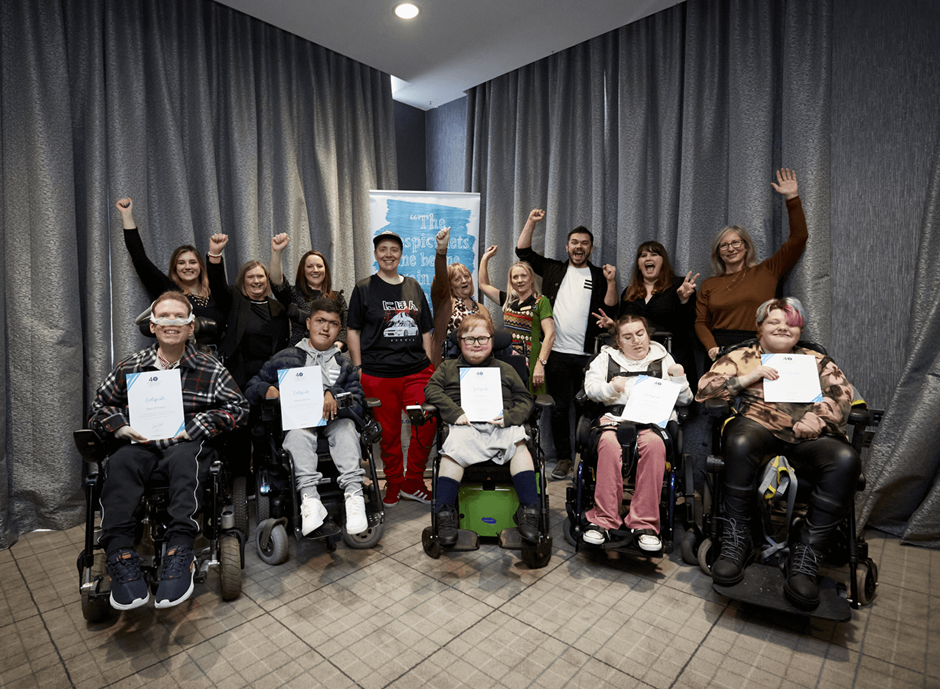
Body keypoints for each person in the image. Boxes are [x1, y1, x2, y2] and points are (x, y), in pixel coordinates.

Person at [696, 298, 859, 609]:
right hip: (758, 428)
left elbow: (842, 394)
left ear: (799, 330)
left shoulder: (817, 360)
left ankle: (805, 557)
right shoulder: (741, 356)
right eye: (774, 322)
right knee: (740, 440)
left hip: (808, 435)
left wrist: (821, 418)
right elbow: (704, 391)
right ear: (760, 328)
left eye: (792, 322)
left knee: (846, 459)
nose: (784, 326)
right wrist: (748, 377)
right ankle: (737, 540)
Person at [89, 291, 248, 611]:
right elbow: (99, 407)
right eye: (164, 317)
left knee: (184, 459)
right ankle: (120, 556)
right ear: (152, 325)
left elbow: (239, 408)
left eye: (179, 317)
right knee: (119, 462)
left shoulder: (209, 367)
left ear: (191, 327)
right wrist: (120, 425)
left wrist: (200, 424)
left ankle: (180, 552)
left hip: (186, 443)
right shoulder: (130, 367)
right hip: (141, 442)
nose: (171, 322)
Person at [244, 298, 367, 536]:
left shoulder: (344, 364)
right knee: (298, 435)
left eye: (333, 323)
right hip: (300, 423)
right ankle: (310, 501)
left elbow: (358, 401)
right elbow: (251, 386)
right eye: (320, 321)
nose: (325, 328)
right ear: (309, 323)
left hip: (335, 422)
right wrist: (266, 390)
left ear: (339, 329)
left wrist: (334, 395)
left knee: (346, 430)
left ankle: (354, 497)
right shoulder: (284, 358)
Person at [515, 208, 618, 479]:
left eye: (584, 243)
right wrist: (531, 221)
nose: (579, 247)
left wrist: (610, 282)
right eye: (575, 242)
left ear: (591, 248)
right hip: (557, 354)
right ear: (567, 246)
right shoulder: (553, 269)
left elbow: (610, 307)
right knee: (559, 409)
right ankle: (563, 459)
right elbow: (523, 252)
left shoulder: (598, 275)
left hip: (589, 356)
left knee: (591, 409)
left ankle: (590, 461)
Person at [423, 315, 540, 545]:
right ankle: (445, 513)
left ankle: (529, 511)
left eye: (483, 338)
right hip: (465, 427)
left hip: (500, 425)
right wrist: (454, 412)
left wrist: (509, 418)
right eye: (470, 338)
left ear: (492, 340)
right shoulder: (447, 368)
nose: (477, 343)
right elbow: (431, 391)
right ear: (460, 341)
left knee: (519, 444)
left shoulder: (505, 368)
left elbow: (525, 398)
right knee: (451, 450)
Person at [581, 315, 692, 550]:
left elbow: (685, 400)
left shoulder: (663, 358)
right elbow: (590, 389)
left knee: (654, 446)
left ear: (648, 334)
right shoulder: (606, 358)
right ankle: (604, 519)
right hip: (615, 419)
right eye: (628, 337)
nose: (636, 341)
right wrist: (611, 388)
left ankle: (645, 524)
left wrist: (679, 377)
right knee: (609, 445)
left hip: (651, 422)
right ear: (619, 342)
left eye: (640, 334)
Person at [347, 230, 436, 507]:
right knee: (388, 434)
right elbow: (352, 331)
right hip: (378, 373)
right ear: (375, 254)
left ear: (400, 254)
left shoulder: (413, 287)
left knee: (427, 423)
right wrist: (358, 367)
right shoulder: (363, 288)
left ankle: (414, 481)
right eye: (383, 249)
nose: (388, 254)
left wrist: (429, 364)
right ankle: (395, 483)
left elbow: (426, 331)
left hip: (416, 370)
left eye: (394, 249)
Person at [695, 168, 807, 360]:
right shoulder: (709, 284)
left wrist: (792, 198)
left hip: (759, 346)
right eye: (724, 246)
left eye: (736, 243)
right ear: (718, 253)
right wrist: (712, 348)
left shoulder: (767, 271)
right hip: (720, 351)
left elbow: (799, 238)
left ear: (746, 247)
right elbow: (701, 322)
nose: (730, 249)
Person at [116, 197, 226, 345]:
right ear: (175, 269)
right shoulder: (170, 292)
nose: (187, 267)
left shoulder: (217, 293)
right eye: (181, 263)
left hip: (217, 362)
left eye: (192, 262)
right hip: (182, 359)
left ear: (200, 266)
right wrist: (127, 215)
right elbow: (140, 260)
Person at [592, 241, 699, 391]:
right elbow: (625, 326)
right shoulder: (630, 292)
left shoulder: (680, 286)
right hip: (635, 361)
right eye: (643, 255)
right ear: (638, 263)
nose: (648, 258)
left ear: (663, 261)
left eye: (654, 254)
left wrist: (683, 299)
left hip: (672, 358)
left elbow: (690, 323)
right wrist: (613, 325)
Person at [205, 234, 293, 391]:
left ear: (267, 280)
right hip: (240, 377)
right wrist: (215, 254)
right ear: (243, 280)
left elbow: (283, 290)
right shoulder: (235, 300)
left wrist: (277, 252)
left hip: (272, 376)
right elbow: (217, 286)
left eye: (260, 276)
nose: (256, 281)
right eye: (250, 277)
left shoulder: (277, 307)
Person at [478, 246, 555, 395]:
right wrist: (485, 258)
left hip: (531, 362)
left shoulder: (541, 302)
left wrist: (541, 364)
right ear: (511, 281)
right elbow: (483, 285)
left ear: (531, 278)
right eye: (515, 277)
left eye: (523, 276)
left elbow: (550, 335)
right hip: (507, 360)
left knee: (528, 405)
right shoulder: (508, 300)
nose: (519, 280)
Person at [269, 233, 349, 348]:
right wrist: (277, 252)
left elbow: (345, 328)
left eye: (319, 266)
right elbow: (277, 282)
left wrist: (335, 348)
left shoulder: (337, 298)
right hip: (298, 356)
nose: (315, 270)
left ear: (325, 270)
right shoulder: (294, 294)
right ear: (303, 270)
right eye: (310, 266)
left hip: (329, 355)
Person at [429, 226, 487, 364]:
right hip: (449, 366)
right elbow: (440, 279)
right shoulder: (444, 303)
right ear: (450, 285)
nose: (464, 280)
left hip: (477, 366)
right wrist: (441, 250)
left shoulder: (481, 308)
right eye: (457, 279)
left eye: (466, 276)